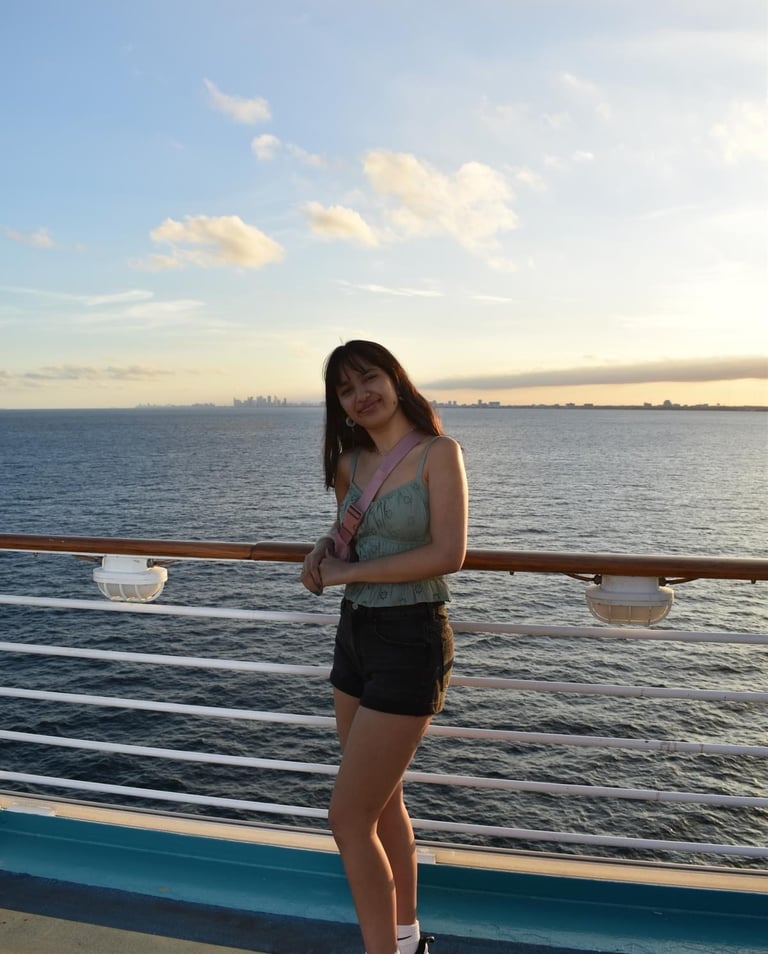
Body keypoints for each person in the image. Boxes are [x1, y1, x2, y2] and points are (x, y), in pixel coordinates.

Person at [301, 340, 468, 954]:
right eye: (345, 390)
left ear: (396, 380)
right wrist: (324, 549)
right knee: (382, 800)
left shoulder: (438, 453)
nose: (360, 395)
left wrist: (349, 573)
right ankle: (406, 936)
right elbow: (351, 531)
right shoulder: (350, 464)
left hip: (411, 637)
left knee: (347, 818)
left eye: (368, 379)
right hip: (356, 634)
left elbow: (448, 553)